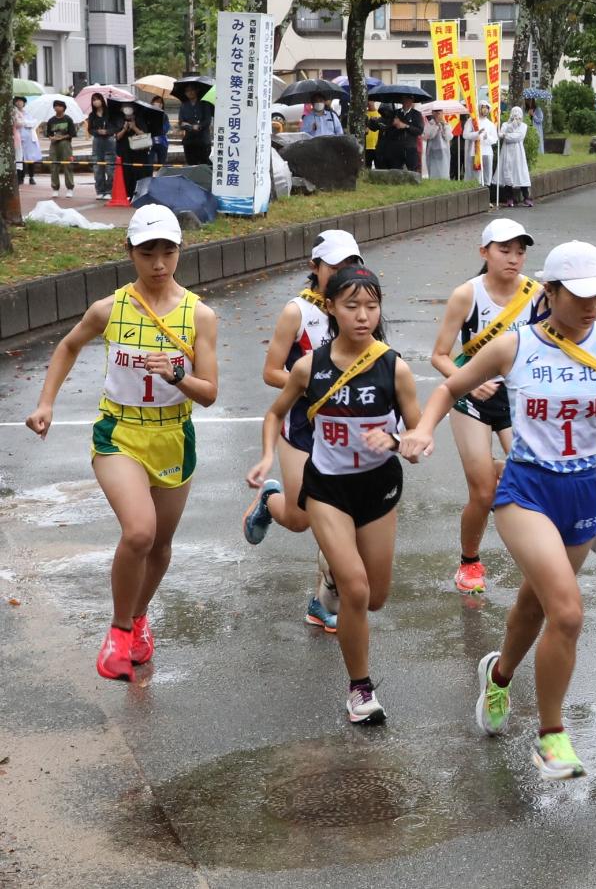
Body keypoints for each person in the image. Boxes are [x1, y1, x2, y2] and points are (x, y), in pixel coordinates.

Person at [402, 241, 596, 780]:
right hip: (526, 490)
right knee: (568, 612)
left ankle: (501, 674)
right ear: (549, 291)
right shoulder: (514, 347)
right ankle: (551, 736)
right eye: (579, 295)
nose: (592, 306)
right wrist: (420, 430)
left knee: (535, 608)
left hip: (583, 493)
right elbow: (450, 387)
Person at [23, 205, 219, 681]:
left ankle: (137, 617)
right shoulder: (109, 309)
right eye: (147, 252)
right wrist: (46, 402)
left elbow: (209, 392)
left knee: (161, 545)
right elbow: (68, 345)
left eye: (167, 252)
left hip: (173, 434)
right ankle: (116, 629)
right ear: (129, 252)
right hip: (119, 434)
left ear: (179, 251)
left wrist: (177, 375)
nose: (158, 263)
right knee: (139, 532)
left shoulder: (200, 315)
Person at [260, 263, 426, 725]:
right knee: (356, 589)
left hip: (378, 486)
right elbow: (276, 414)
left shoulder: (395, 369)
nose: (362, 315)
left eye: (371, 306)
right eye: (351, 305)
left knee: (374, 598)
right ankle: (360, 689)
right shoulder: (309, 366)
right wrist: (263, 456)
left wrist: (398, 442)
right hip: (327, 487)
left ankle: (334, 576)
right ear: (330, 307)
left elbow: (419, 437)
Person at [243, 228, 366, 632]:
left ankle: (321, 601)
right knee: (299, 519)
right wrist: (314, 382)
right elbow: (269, 371)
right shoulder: (298, 311)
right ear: (315, 268)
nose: (345, 273)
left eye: (352, 265)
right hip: (300, 427)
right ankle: (270, 500)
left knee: (339, 519)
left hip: (343, 431)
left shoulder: (360, 308)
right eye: (336, 266)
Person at [428, 218, 546, 595]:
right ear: (484, 252)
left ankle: (498, 470)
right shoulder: (467, 294)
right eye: (504, 250)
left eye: (520, 251)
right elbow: (440, 356)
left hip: (516, 399)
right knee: (481, 492)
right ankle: (469, 561)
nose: (514, 258)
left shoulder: (537, 295)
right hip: (471, 397)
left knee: (534, 482)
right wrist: (472, 381)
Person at [495, 107, 533, 208]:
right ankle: (509, 198)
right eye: (514, 113)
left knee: (521, 173)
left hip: (518, 153)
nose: (516, 115)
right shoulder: (505, 124)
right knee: (507, 172)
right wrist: (510, 128)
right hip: (507, 152)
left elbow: (519, 137)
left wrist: (506, 136)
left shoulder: (523, 126)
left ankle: (526, 197)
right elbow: (500, 134)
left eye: (518, 113)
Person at [40, 98, 76, 197]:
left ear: (63, 108)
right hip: (54, 145)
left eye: (59, 106)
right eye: (55, 106)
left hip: (65, 144)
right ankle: (55, 188)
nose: (57, 107)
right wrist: (52, 137)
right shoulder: (51, 120)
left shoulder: (68, 119)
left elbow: (72, 133)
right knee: (54, 166)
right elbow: (48, 134)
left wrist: (62, 137)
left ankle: (69, 188)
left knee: (67, 165)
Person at [114, 105, 153, 194]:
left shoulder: (140, 120)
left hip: (139, 152)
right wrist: (124, 129)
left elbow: (145, 136)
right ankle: (127, 193)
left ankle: (140, 192)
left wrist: (134, 127)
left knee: (140, 172)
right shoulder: (119, 120)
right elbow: (117, 137)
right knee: (126, 173)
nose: (128, 115)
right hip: (125, 152)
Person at [86, 92, 116, 200]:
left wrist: (107, 131)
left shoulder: (110, 113)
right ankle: (100, 190)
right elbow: (89, 129)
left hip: (109, 140)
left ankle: (109, 190)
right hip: (97, 141)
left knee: (110, 168)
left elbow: (115, 127)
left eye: (97, 99)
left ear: (102, 100)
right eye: (93, 100)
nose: (95, 102)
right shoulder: (92, 115)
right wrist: (97, 132)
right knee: (97, 167)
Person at [178, 90, 212, 167]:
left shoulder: (204, 104)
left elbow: (207, 120)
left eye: (192, 89)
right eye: (187, 90)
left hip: (203, 141)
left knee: (203, 164)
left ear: (196, 91)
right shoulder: (184, 105)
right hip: (189, 141)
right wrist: (191, 127)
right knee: (191, 164)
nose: (190, 92)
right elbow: (181, 123)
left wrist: (199, 126)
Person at [13, 95, 41, 186]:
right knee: (20, 159)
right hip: (19, 139)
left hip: (29, 140)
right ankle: (21, 178)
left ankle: (31, 177)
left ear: (24, 103)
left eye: (21, 101)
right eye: (17, 101)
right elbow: (17, 124)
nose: (19, 103)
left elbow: (33, 123)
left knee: (30, 159)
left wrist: (24, 122)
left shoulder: (28, 113)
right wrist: (25, 123)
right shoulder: (14, 113)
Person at [473, 111, 500, 207]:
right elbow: (467, 135)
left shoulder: (490, 124)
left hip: (487, 152)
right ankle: (477, 199)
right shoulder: (474, 121)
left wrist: (486, 137)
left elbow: (495, 139)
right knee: (478, 175)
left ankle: (487, 199)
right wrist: (477, 134)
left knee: (487, 175)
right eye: (482, 108)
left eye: (486, 108)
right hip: (476, 152)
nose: (484, 110)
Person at [422, 111, 451, 181]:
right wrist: (436, 125)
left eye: (440, 113)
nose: (438, 115)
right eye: (436, 113)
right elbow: (429, 136)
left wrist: (444, 127)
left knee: (444, 172)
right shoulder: (429, 124)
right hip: (432, 151)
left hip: (444, 151)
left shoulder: (446, 124)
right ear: (433, 113)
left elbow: (448, 137)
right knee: (434, 173)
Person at [148, 97, 171, 168]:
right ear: (152, 103)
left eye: (161, 102)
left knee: (162, 164)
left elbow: (166, 128)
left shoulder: (164, 115)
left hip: (162, 142)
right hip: (150, 142)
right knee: (149, 163)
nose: (160, 104)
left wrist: (158, 128)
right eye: (157, 102)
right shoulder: (147, 114)